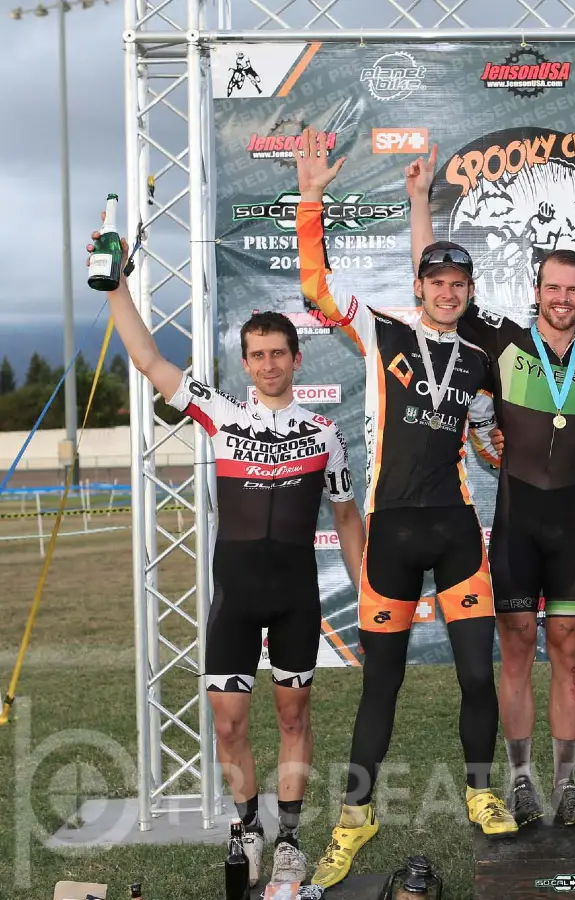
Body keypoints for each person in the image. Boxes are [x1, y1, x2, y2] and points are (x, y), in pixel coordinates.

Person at [86, 221, 366, 886]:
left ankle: (292, 837)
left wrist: (370, 596)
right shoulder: (220, 414)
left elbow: (349, 519)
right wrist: (117, 288)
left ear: (297, 360)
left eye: (279, 353)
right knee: (228, 723)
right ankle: (247, 823)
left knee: (294, 713)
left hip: (297, 596)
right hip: (233, 600)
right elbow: (151, 360)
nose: (269, 363)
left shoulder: (325, 434)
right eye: (258, 354)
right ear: (245, 363)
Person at [290, 129, 517, 890]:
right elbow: (316, 287)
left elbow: (487, 444)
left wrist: (523, 456)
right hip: (389, 533)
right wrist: (313, 197)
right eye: (437, 281)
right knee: (379, 684)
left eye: (459, 283)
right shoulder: (380, 329)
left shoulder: (482, 360)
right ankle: (355, 817)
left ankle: (484, 791)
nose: (448, 291)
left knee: (476, 677)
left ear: (468, 291)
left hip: (456, 532)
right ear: (419, 288)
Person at [408, 146, 575, 827]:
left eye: (574, 290)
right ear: (537, 292)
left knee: (572, 658)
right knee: (518, 646)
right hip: (520, 520)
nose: (562, 299)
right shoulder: (500, 340)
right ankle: (521, 780)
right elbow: (433, 291)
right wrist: (418, 206)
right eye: (552, 288)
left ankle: (570, 784)